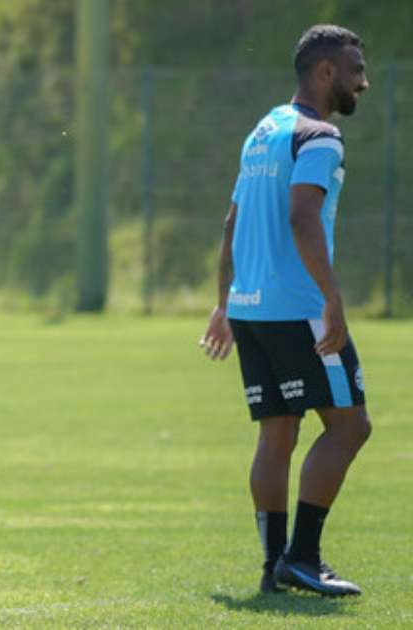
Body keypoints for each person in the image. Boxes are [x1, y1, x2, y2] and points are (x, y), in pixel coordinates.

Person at [200, 24, 371, 597]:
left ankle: (274, 564)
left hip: (250, 306)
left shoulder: (263, 131)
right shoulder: (319, 136)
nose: (362, 83)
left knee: (277, 434)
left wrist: (224, 304)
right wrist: (332, 296)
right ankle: (302, 556)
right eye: (354, 71)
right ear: (326, 72)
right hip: (299, 306)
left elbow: (232, 221)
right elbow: (302, 219)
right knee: (350, 426)